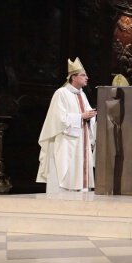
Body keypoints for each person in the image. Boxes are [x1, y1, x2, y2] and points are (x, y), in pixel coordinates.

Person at [37, 57, 97, 194]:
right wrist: (81, 117)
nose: (87, 78)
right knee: (65, 167)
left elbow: (87, 115)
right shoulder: (61, 93)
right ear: (73, 77)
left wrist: (91, 117)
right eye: (83, 75)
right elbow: (58, 119)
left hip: (82, 140)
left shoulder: (82, 95)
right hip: (66, 141)